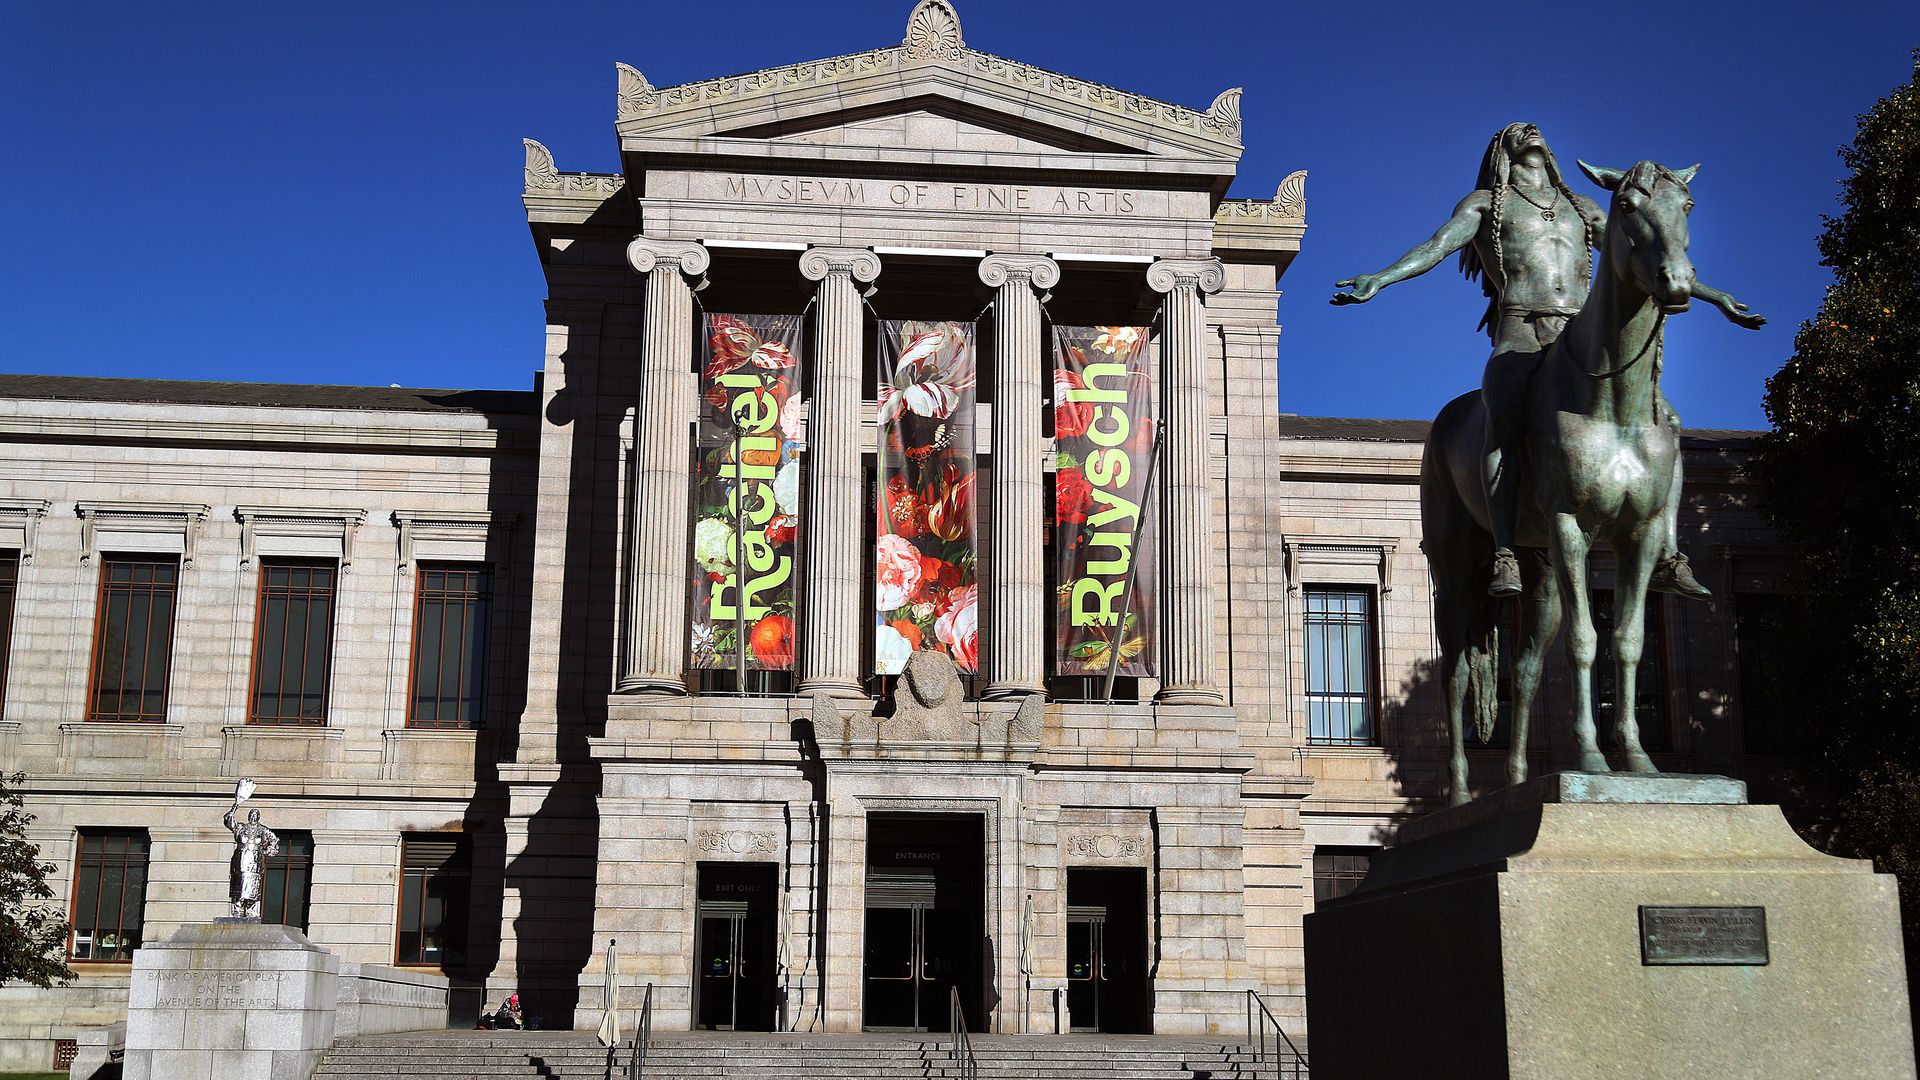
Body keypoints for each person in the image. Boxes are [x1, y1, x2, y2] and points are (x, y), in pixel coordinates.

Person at [1333, 122, 1764, 598]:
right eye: (1516, 131)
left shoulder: (1581, 208)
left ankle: (1666, 553)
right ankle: (1503, 551)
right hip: (1521, 331)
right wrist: (1381, 277)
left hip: (1579, 333)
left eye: (1533, 127)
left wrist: (1713, 295)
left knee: (1666, 420)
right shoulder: (1484, 206)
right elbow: (1436, 247)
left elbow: (1647, 249)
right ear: (1501, 151)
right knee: (1503, 418)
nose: (1529, 130)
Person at [223, 778, 279, 922]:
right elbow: (228, 820)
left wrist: (266, 851)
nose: (253, 817)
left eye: (256, 815)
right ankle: (237, 909)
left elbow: (275, 843)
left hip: (255, 862)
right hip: (240, 861)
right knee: (239, 884)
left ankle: (251, 910)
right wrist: (236, 805)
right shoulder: (241, 828)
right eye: (251, 815)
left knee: (253, 886)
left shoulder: (263, 830)